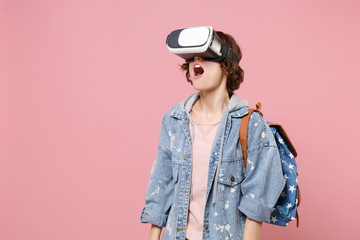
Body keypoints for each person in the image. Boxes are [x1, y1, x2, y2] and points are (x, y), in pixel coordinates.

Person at [140, 29, 285, 240]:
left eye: (205, 55)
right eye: (191, 57)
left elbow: (256, 207)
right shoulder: (174, 119)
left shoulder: (252, 125)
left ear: (227, 66)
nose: (196, 59)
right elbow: (160, 189)